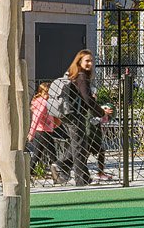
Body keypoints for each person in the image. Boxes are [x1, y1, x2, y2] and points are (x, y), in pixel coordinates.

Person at [47, 49, 111, 188]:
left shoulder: (73, 74)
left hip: (68, 114)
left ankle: (63, 166)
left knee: (79, 143)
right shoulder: (81, 76)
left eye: (91, 61)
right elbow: (87, 99)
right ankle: (80, 179)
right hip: (75, 114)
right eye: (87, 61)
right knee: (80, 147)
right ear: (79, 62)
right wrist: (101, 112)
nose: (90, 64)